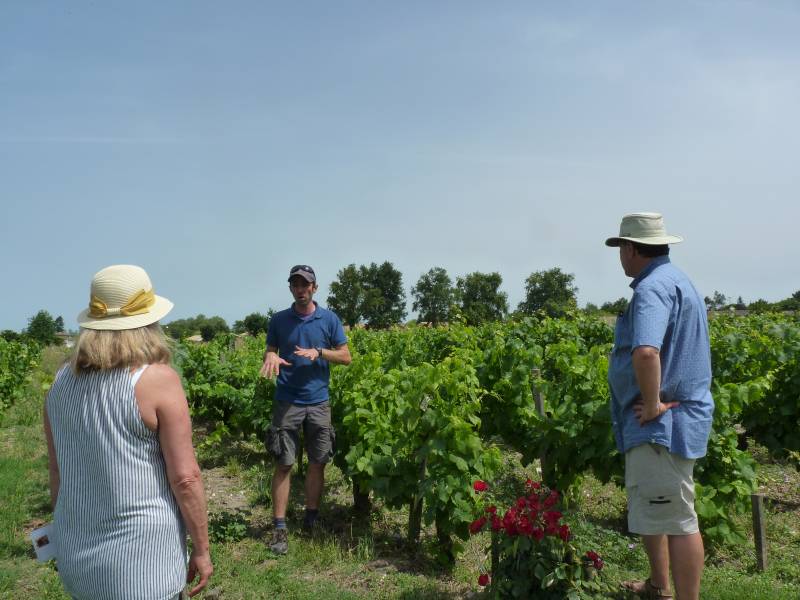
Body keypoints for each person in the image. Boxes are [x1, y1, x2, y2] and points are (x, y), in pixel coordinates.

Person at [44, 264, 213, 599]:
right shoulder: (156, 380)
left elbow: (56, 472)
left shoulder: (60, 382)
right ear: (149, 322)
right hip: (143, 564)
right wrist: (202, 548)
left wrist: (63, 534)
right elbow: (185, 478)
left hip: (76, 555)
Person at [606, 213, 714, 600]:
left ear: (632, 249)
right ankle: (658, 585)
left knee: (679, 520)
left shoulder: (652, 289)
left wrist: (651, 405)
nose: (620, 256)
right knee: (655, 507)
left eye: (621, 248)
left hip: (662, 426)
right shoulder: (678, 280)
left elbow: (647, 352)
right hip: (669, 423)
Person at [259, 264, 351, 555]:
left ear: (315, 288)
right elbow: (270, 349)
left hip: (319, 401)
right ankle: (280, 527)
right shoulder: (279, 320)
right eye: (296, 285)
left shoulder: (330, 320)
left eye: (305, 284)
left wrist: (320, 352)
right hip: (287, 400)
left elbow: (346, 357)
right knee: (284, 463)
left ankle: (311, 519)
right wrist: (272, 357)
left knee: (317, 461)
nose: (301, 289)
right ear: (291, 289)